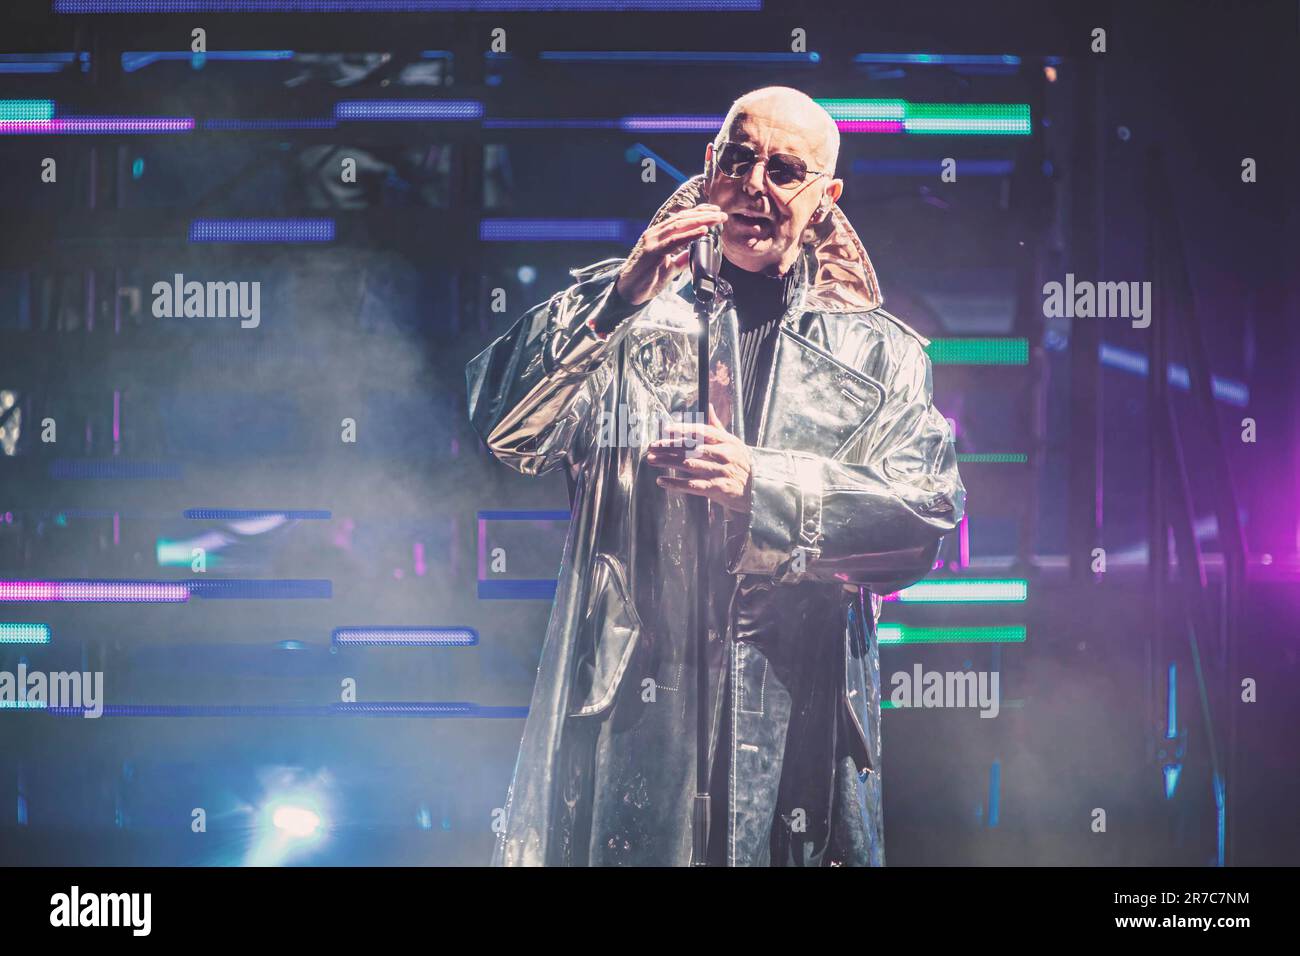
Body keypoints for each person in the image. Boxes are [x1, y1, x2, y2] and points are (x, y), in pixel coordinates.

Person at [467, 86, 965, 866]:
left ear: (826, 197)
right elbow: (504, 429)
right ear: (709, 167)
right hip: (637, 714)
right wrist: (616, 302)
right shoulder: (626, 311)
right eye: (739, 159)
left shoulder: (882, 353)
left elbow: (921, 523)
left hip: (801, 722)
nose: (756, 185)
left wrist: (760, 485)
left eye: (785, 169)